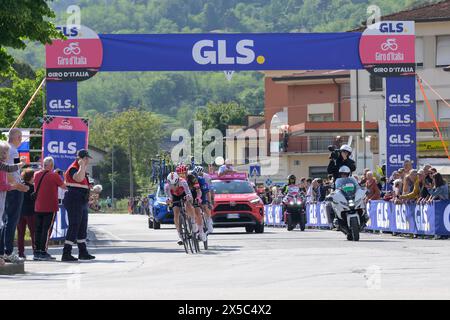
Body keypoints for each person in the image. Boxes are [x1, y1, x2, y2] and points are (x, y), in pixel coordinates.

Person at [0, 129, 30, 263]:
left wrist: (20, 164)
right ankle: (8, 251)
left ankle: (3, 251)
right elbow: (8, 171)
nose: (21, 139)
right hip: (12, 189)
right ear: (17, 137)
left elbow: (13, 168)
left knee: (6, 220)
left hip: (11, 188)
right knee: (11, 220)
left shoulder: (11, 150)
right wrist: (17, 186)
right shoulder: (11, 150)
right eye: (21, 137)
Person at [62, 150, 95, 262]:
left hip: (81, 200)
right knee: (74, 225)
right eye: (86, 159)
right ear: (80, 158)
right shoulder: (73, 168)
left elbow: (83, 184)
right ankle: (66, 253)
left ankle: (83, 252)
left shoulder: (82, 169)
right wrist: (81, 166)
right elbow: (78, 179)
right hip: (74, 199)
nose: (87, 161)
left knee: (82, 227)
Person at [33, 157, 66, 261]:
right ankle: (43, 252)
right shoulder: (54, 175)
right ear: (51, 165)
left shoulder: (36, 174)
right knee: (46, 230)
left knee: (38, 229)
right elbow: (64, 186)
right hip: (50, 206)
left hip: (38, 206)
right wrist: (61, 175)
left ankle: (37, 252)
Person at [164, 168, 196, 245]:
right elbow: (169, 197)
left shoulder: (183, 182)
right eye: (171, 185)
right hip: (175, 197)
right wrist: (168, 201)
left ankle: (193, 222)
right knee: (176, 213)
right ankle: (180, 234)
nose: (174, 186)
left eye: (175, 184)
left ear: (178, 180)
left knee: (188, 205)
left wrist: (188, 197)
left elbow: (188, 193)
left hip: (184, 194)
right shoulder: (167, 186)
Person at [17, 169, 36, 259]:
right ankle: (35, 251)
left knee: (21, 234)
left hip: (20, 212)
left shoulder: (20, 186)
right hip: (30, 212)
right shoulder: (32, 187)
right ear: (31, 177)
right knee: (33, 233)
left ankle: (20, 253)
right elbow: (33, 198)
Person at [186, 171, 207, 242]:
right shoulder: (178, 180)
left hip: (194, 193)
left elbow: (198, 190)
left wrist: (198, 197)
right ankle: (187, 225)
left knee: (197, 211)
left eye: (184, 173)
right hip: (185, 195)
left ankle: (201, 232)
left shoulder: (192, 178)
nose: (182, 175)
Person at [193, 166, 214, 234]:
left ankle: (209, 221)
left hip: (203, 189)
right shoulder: (191, 177)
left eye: (201, 174)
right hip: (194, 191)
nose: (200, 175)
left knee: (205, 205)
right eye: (198, 174)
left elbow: (208, 191)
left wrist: (209, 202)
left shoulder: (206, 177)